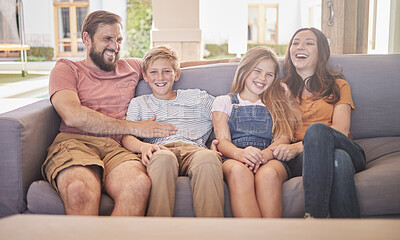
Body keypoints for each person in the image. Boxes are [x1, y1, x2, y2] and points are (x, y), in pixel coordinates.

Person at [41, 10, 229, 216]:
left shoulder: (130, 67)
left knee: (139, 185)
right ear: (86, 38)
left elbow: (170, 66)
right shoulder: (66, 69)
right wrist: (136, 128)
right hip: (76, 142)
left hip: (117, 149)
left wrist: (228, 62)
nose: (115, 46)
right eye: (107, 39)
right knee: (80, 190)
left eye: (119, 39)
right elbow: (73, 115)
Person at [271, 27, 366, 218]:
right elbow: (280, 131)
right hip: (305, 160)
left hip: (345, 146)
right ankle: (352, 233)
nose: (300, 46)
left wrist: (298, 147)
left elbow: (341, 130)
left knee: (317, 131)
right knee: (339, 160)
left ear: (321, 51)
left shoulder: (339, 85)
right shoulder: (281, 88)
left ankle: (314, 218)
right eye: (295, 42)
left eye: (309, 43)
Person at [122, 46, 224, 217]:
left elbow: (224, 114)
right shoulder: (139, 103)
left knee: (208, 158)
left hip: (195, 149)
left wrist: (220, 140)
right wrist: (143, 148)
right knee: (163, 159)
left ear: (176, 74)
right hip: (160, 149)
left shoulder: (197, 97)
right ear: (145, 77)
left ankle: (210, 231)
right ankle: (159, 231)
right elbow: (126, 136)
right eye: (153, 72)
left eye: (166, 71)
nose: (160, 77)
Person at [212, 46, 301, 218]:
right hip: (234, 156)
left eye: (270, 74)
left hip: (269, 156)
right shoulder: (224, 102)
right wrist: (240, 154)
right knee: (239, 172)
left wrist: (264, 156)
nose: (262, 78)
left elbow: (283, 138)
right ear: (244, 70)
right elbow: (222, 142)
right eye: (257, 71)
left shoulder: (278, 103)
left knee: (268, 174)